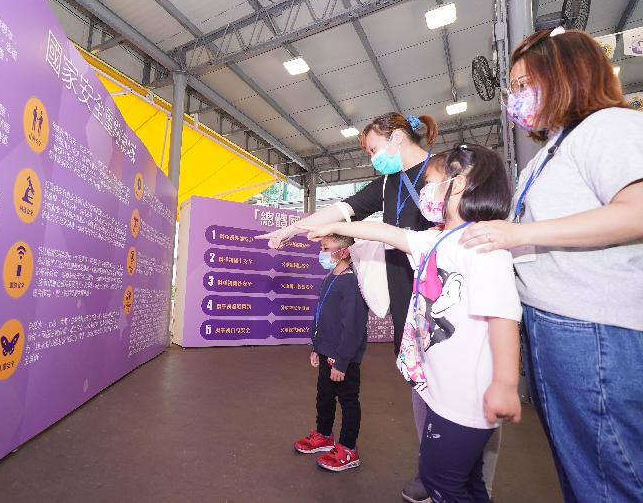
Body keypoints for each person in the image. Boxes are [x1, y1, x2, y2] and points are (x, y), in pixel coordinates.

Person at [258, 113, 502, 502]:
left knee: (468, 390)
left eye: (374, 148)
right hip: (409, 304)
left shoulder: (443, 175)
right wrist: (294, 228)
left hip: (449, 303)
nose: (373, 157)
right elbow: (348, 209)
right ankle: (434, 467)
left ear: (398, 136)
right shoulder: (389, 182)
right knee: (423, 387)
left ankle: (468, 479)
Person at [459, 27, 643, 502]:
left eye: (524, 85)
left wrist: (520, 234)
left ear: (565, 75)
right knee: (582, 468)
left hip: (593, 327)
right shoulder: (554, 149)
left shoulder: (610, 127)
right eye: (513, 88)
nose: (515, 99)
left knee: (609, 474)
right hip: (556, 324)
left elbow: (636, 211)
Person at [305, 144, 522, 501]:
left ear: (463, 184)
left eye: (432, 184)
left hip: (468, 394)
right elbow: (385, 232)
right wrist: (331, 224)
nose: (424, 193)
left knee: (443, 481)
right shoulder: (436, 239)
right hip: (440, 388)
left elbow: (503, 317)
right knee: (466, 483)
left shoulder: (482, 245)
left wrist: (505, 383)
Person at [293, 233, 368, 471]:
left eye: (326, 248)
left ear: (344, 252)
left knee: (347, 400)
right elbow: (321, 316)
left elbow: (353, 327)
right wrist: (316, 347)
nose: (321, 253)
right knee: (324, 395)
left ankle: (348, 448)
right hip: (326, 351)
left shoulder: (352, 283)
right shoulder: (330, 278)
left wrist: (342, 362)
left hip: (343, 357)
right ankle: (324, 435)